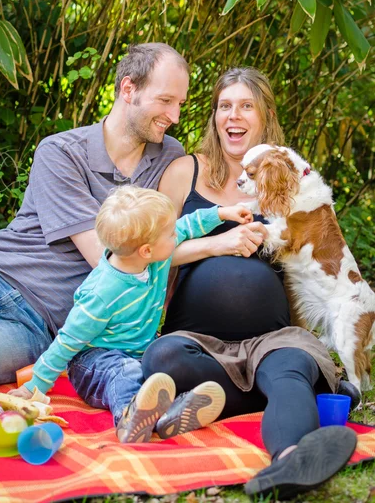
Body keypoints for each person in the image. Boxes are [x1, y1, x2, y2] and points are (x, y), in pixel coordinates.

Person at [141, 67, 359, 500]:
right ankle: (275, 399)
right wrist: (216, 244)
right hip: (196, 343)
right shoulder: (185, 171)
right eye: (225, 106)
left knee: (291, 367)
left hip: (273, 340)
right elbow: (148, 255)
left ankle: (290, 461)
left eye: (245, 106)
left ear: (264, 117)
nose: (233, 115)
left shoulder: (286, 175)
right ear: (215, 117)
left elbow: (324, 258)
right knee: (162, 359)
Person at [0, 43, 190, 389]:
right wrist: (217, 245)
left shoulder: (170, 159)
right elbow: (108, 256)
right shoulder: (60, 152)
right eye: (165, 101)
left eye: (180, 104)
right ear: (128, 89)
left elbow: (165, 241)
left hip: (36, 323)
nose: (175, 116)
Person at [9, 185, 253, 443]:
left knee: (165, 363)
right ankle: (129, 418)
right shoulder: (102, 293)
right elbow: (67, 342)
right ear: (146, 250)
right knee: (126, 373)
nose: (176, 235)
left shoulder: (154, 256)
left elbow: (187, 226)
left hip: (138, 352)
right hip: (94, 362)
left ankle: (167, 416)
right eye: (170, 234)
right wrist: (33, 387)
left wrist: (223, 213)